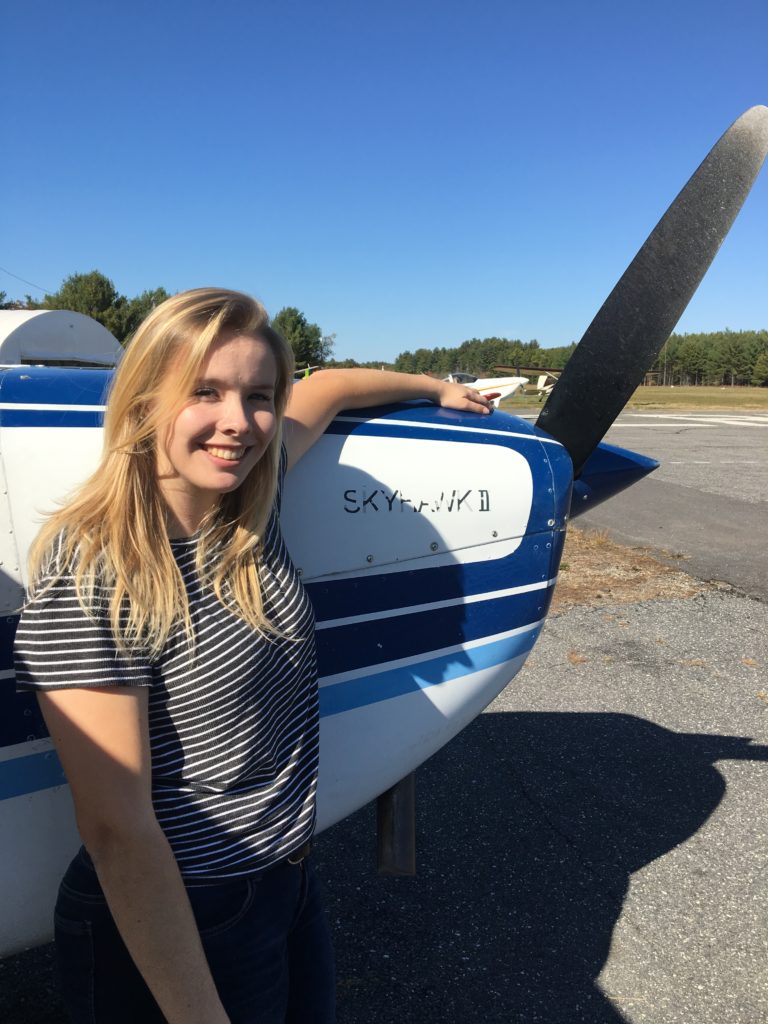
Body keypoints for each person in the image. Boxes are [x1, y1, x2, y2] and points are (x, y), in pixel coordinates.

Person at [13, 287, 492, 1024]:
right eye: (204, 392)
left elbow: (328, 388)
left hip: (285, 880)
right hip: (178, 909)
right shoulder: (95, 581)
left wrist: (439, 389)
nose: (238, 423)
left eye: (258, 396)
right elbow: (118, 832)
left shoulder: (248, 508)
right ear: (143, 403)